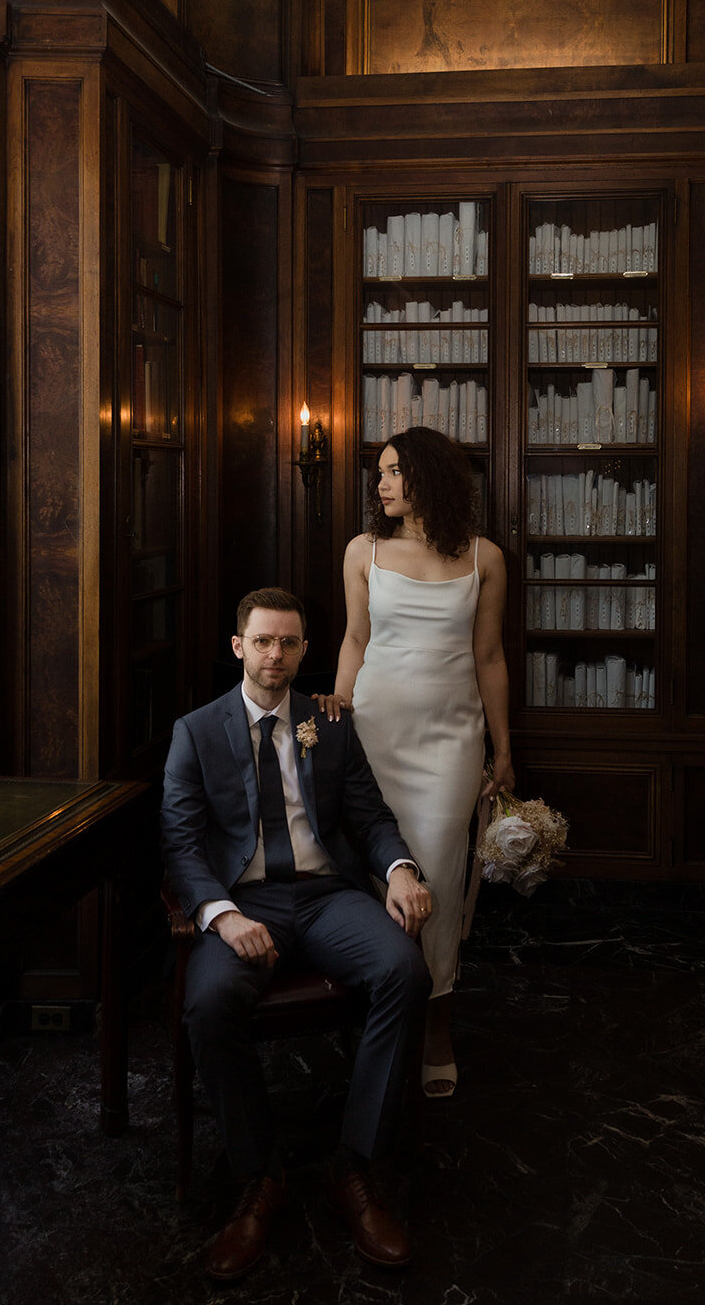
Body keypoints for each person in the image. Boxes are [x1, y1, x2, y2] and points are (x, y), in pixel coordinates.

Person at [160, 586, 434, 1281]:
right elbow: (181, 846)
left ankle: (355, 1168)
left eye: (287, 643)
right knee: (210, 1002)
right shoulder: (195, 731)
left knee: (403, 970)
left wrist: (399, 869)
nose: (274, 655)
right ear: (238, 647)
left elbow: (368, 817)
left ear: (304, 650)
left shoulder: (328, 723)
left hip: (324, 894)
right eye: (262, 642)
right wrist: (222, 917)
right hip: (244, 902)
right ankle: (259, 1179)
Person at [317, 427, 515, 1099]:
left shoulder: (483, 558)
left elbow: (488, 658)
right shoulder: (362, 552)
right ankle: (381, 1016)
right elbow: (355, 638)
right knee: (376, 877)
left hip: (450, 745)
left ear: (428, 476)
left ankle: (435, 1024)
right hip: (374, 735)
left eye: (394, 471)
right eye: (380, 473)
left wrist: (503, 748)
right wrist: (339, 714)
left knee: (439, 878)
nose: (381, 485)